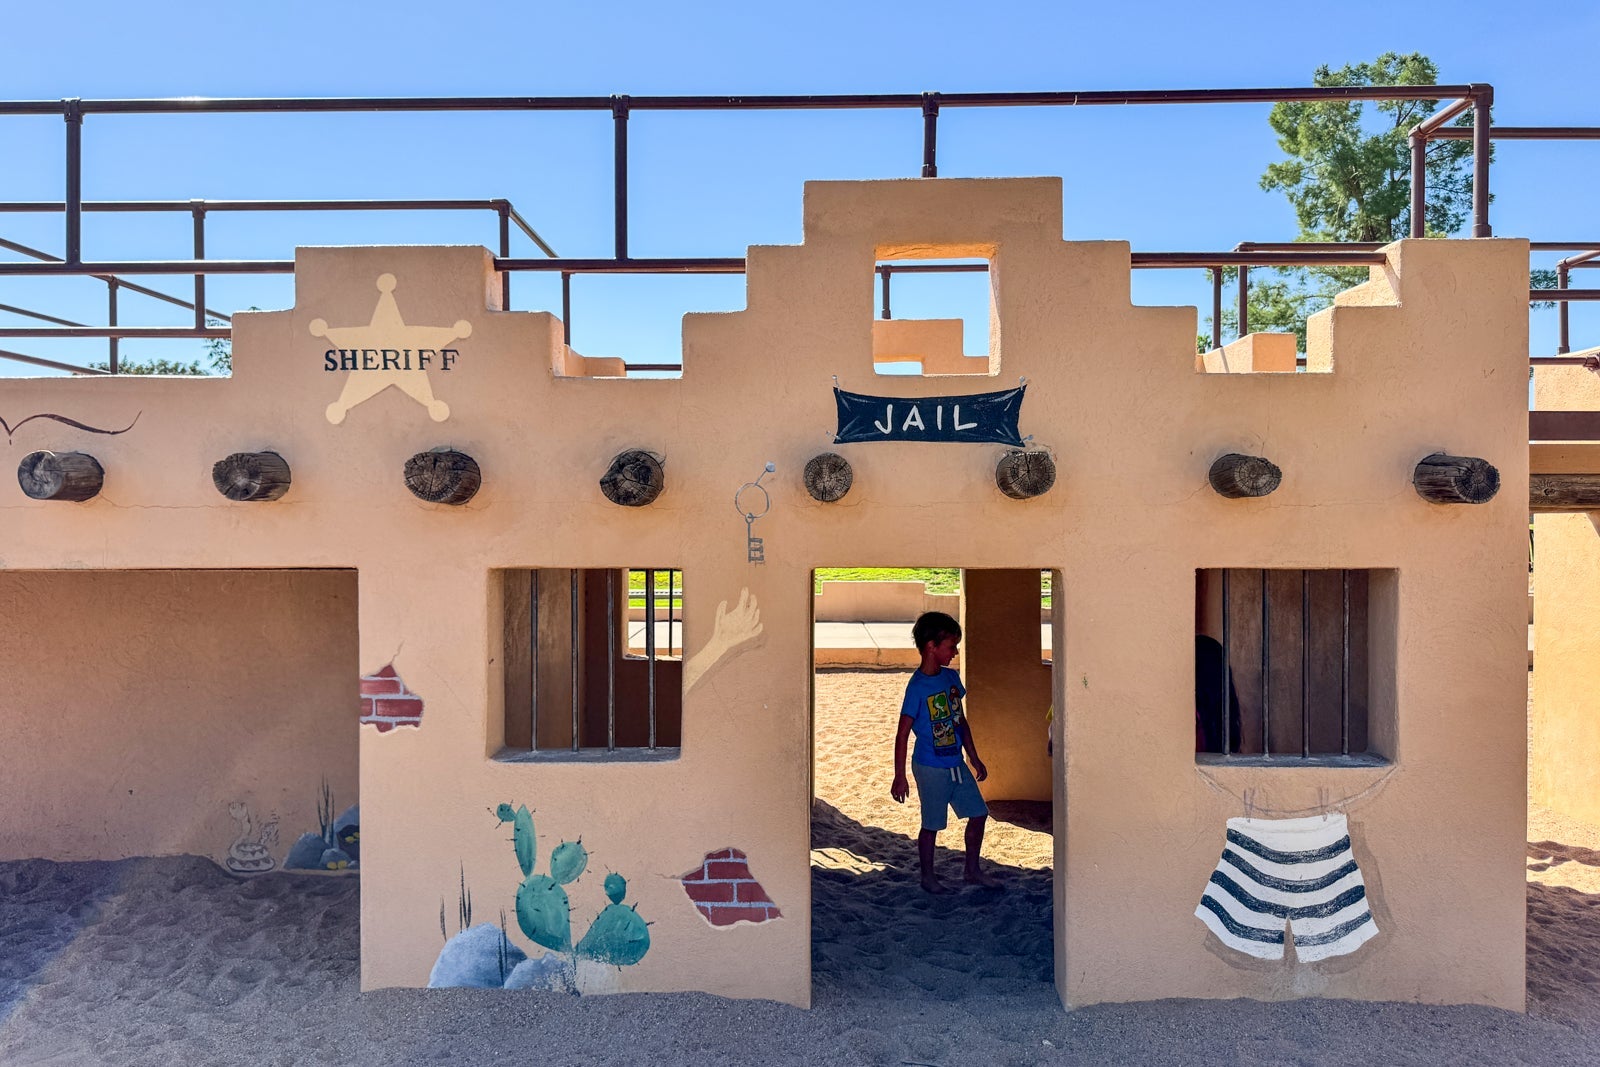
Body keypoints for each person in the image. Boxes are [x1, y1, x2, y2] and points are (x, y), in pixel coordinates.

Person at [890, 611, 1002, 893]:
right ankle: (928, 877)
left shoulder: (951, 679)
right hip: (929, 766)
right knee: (932, 825)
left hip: (956, 763)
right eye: (951, 646)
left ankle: (972, 870)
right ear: (931, 646)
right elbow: (902, 734)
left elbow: (959, 720)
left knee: (978, 813)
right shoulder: (916, 688)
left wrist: (973, 757)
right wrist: (899, 776)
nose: (955, 652)